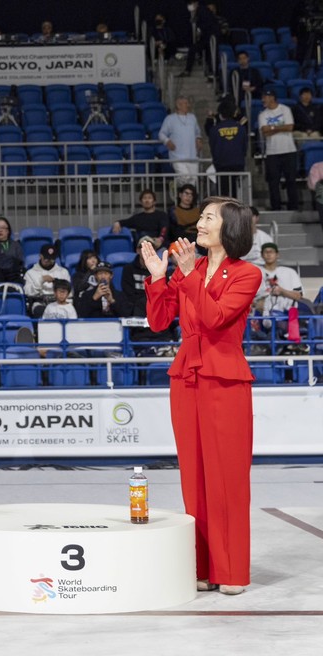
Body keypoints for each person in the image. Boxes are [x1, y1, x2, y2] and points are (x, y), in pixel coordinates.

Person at [142, 196, 261, 595]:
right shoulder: (185, 270)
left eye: (209, 217)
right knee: (194, 478)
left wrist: (189, 273)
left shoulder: (247, 274)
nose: (201, 222)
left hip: (224, 380)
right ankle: (202, 567)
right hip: (186, 378)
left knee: (226, 478)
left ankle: (231, 572)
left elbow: (213, 320)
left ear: (230, 228)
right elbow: (159, 322)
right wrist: (160, 277)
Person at [259, 89, 299, 211]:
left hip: (289, 150)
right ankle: (276, 206)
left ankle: (293, 206)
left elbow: (290, 127)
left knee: (291, 180)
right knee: (273, 182)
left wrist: (272, 127)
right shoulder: (262, 114)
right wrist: (281, 127)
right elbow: (265, 131)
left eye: (264, 97)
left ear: (271, 97)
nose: (262, 100)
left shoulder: (285, 109)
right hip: (272, 152)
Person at [205, 97, 248, 198]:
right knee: (236, 192)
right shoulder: (241, 128)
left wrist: (209, 119)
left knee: (223, 193)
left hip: (221, 165)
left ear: (220, 114)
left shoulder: (215, 129)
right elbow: (244, 145)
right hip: (238, 164)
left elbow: (212, 143)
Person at [158, 95, 202, 186]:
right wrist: (167, 141)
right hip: (177, 156)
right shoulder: (170, 119)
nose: (188, 105)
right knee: (184, 179)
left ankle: (187, 198)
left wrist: (198, 139)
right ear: (178, 105)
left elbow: (197, 132)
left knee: (193, 182)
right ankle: (175, 185)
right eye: (186, 103)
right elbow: (161, 134)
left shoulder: (192, 117)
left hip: (192, 156)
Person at [255, 242, 304, 316]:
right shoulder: (256, 272)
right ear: (262, 255)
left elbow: (299, 296)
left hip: (285, 312)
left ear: (277, 254)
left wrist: (282, 291)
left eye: (271, 251)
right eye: (266, 252)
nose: (268, 254)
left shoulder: (289, 272)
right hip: (260, 311)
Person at [23, 243, 70, 315]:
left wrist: (58, 284)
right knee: (41, 311)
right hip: (40, 303)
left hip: (59, 303)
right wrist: (40, 281)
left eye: (52, 259)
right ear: (40, 256)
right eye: (47, 258)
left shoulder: (63, 272)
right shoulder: (31, 273)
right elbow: (28, 292)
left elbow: (69, 292)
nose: (49, 261)